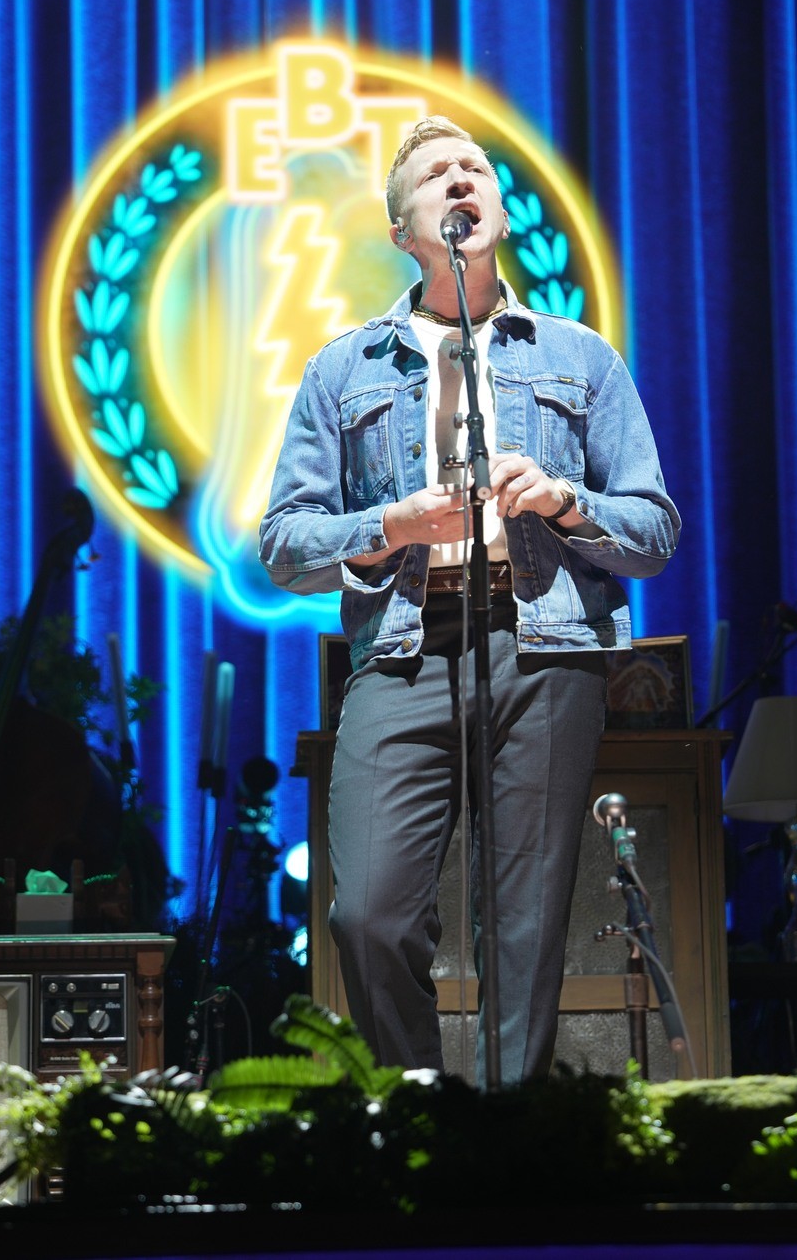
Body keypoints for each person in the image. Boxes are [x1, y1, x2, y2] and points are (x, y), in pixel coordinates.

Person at [260, 117, 680, 1081]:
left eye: (476, 171)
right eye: (436, 178)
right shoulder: (345, 368)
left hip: (544, 647)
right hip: (405, 649)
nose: (461, 183)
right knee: (366, 909)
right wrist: (391, 526)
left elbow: (654, 532)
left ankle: (502, 1137)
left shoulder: (580, 356)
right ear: (405, 230)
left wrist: (567, 502)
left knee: (523, 924)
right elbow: (284, 542)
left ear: (496, 210)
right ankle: (422, 1108)